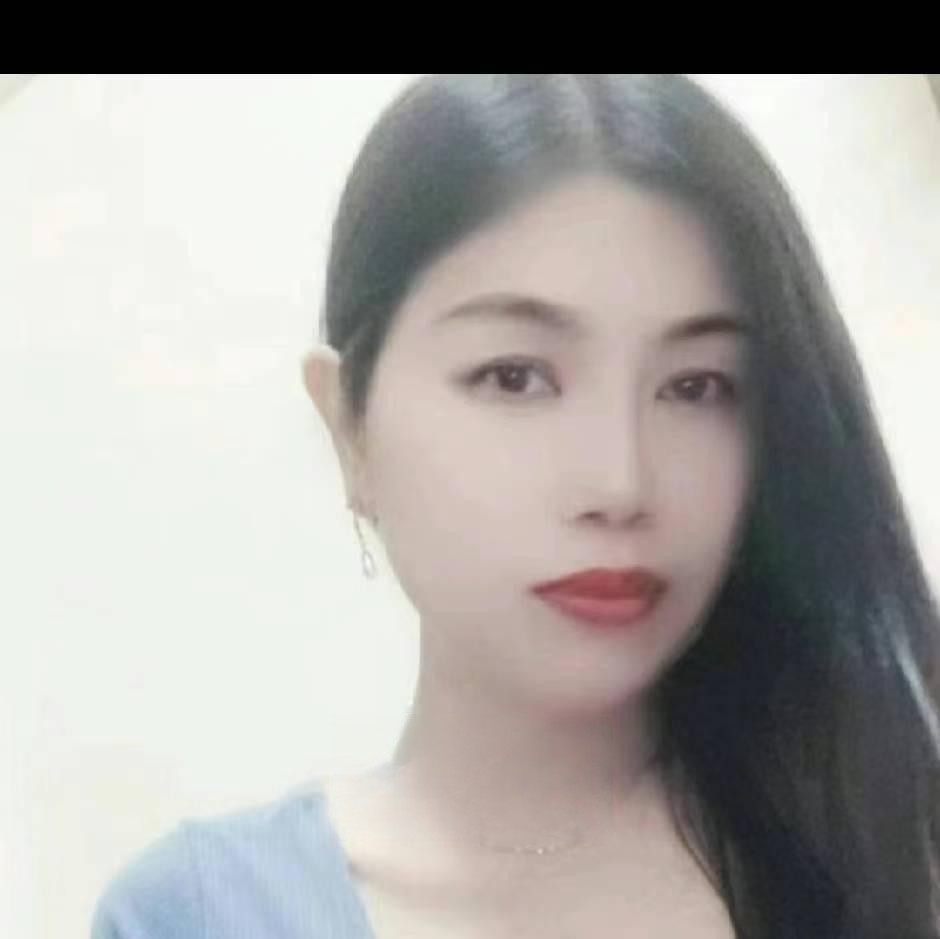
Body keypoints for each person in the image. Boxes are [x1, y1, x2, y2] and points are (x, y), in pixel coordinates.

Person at [91, 74, 940, 939]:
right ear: (348, 425)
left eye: (695, 386)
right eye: (515, 377)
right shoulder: (200, 914)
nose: (620, 483)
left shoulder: (894, 855)